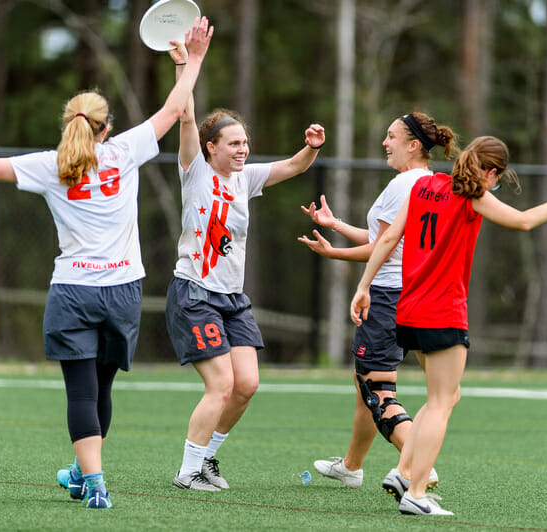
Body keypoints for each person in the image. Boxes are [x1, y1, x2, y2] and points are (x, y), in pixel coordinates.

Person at [0, 18, 214, 509]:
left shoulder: (50, 164)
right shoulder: (124, 152)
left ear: (68, 123)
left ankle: (94, 481)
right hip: (123, 292)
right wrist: (191, 60)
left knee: (81, 392)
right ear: (105, 126)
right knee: (101, 388)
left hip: (73, 292)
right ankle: (87, 475)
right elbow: (176, 109)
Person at [350, 136, 547, 515]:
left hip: (408, 309)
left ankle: (402, 473)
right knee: (439, 403)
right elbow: (525, 221)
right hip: (442, 311)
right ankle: (416, 493)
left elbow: (388, 240)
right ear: (491, 172)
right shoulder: (471, 196)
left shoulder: (422, 185)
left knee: (449, 395)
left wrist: (364, 286)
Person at [165, 40, 326, 492]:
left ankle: (207, 460)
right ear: (210, 147)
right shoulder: (195, 168)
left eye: (246, 143)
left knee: (247, 385)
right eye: (234, 143)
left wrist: (310, 148)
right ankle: (187, 470)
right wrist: (184, 65)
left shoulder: (246, 177)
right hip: (194, 292)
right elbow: (184, 115)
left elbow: (294, 166)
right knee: (221, 384)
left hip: (232, 298)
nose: (243, 150)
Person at [298, 112, 457, 490]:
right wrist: (336, 226)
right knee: (365, 385)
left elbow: (381, 249)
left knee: (378, 391)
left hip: (388, 297)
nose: (385, 143)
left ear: (413, 145)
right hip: (421, 295)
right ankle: (352, 466)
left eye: (391, 137)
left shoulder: (402, 185)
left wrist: (332, 254)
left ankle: (417, 464)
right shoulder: (434, 183)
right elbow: (386, 239)